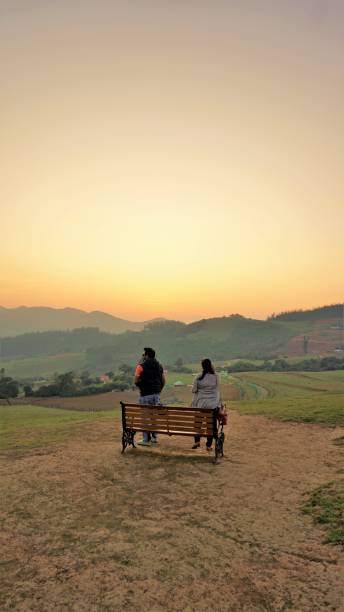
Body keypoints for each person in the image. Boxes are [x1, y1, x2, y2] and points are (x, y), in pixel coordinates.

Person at [134, 347, 165, 446]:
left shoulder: (140, 366)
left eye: (144, 354)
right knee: (153, 417)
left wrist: (141, 386)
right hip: (156, 395)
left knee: (145, 417)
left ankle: (146, 439)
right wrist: (158, 390)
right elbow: (163, 380)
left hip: (145, 395)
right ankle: (154, 438)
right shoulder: (159, 366)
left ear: (146, 355)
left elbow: (135, 381)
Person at [191, 358, 220, 450]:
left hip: (201, 405)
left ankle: (197, 441)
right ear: (211, 365)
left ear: (202, 366)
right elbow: (217, 387)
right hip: (213, 405)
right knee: (210, 425)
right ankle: (208, 445)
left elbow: (194, 390)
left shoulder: (198, 377)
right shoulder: (216, 376)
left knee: (198, 422)